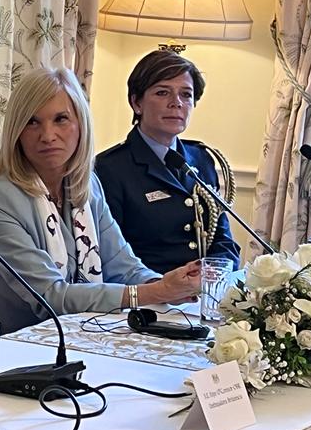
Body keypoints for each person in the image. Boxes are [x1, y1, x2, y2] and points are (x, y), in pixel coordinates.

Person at [0, 67, 201, 334]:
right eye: (32, 122)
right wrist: (154, 292)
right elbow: (52, 296)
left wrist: (170, 286)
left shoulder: (87, 187)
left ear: (81, 125)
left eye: (61, 119)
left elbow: (123, 267)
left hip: (62, 342)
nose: (47, 135)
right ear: (17, 132)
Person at [95, 50, 240, 273]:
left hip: (204, 293)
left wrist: (216, 273)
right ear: (136, 103)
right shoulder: (109, 169)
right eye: (163, 93)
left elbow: (222, 238)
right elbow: (110, 257)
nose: (176, 103)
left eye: (186, 94)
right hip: (148, 296)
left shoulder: (202, 159)